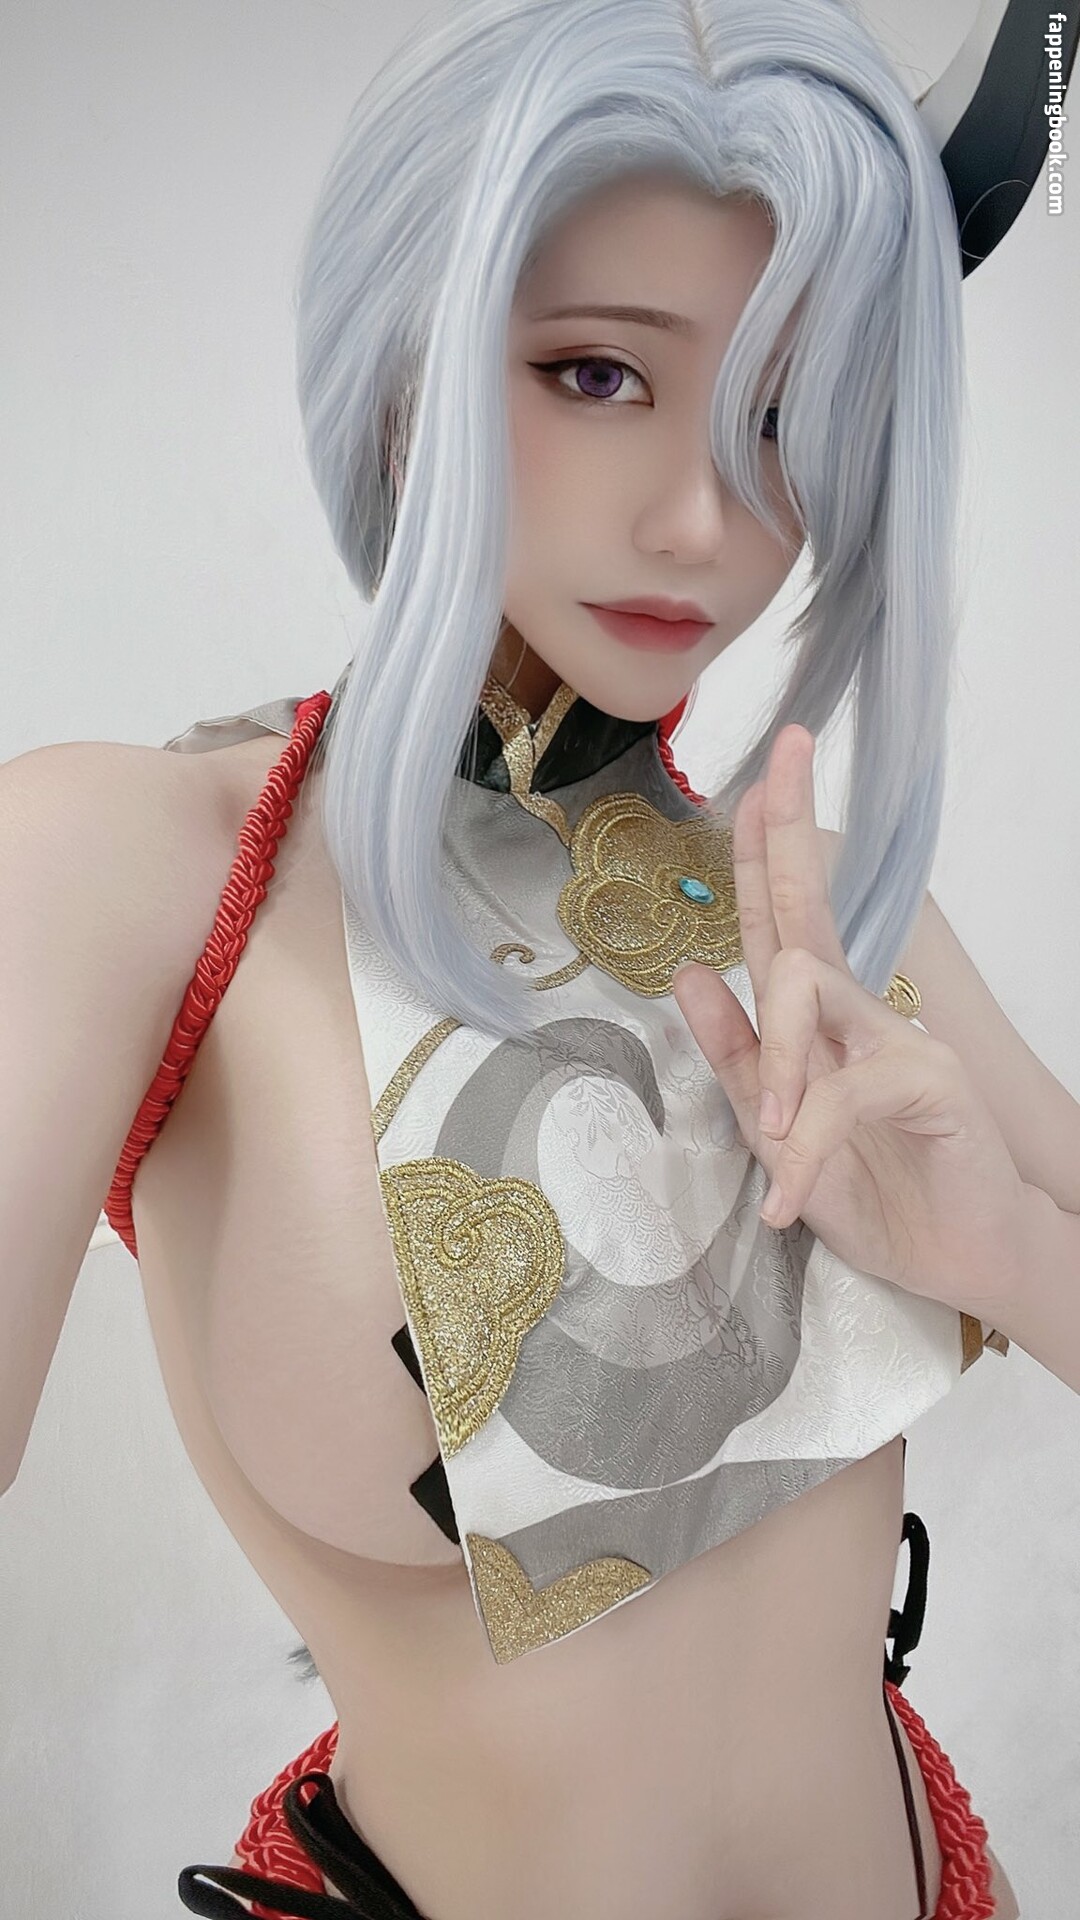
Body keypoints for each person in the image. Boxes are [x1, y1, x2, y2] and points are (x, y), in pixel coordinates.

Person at [5, 0, 1074, 1915]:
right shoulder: (129, 867)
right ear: (404, 367)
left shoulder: (822, 901)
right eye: (596, 372)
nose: (705, 519)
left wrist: (1001, 1248)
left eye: (781, 415)